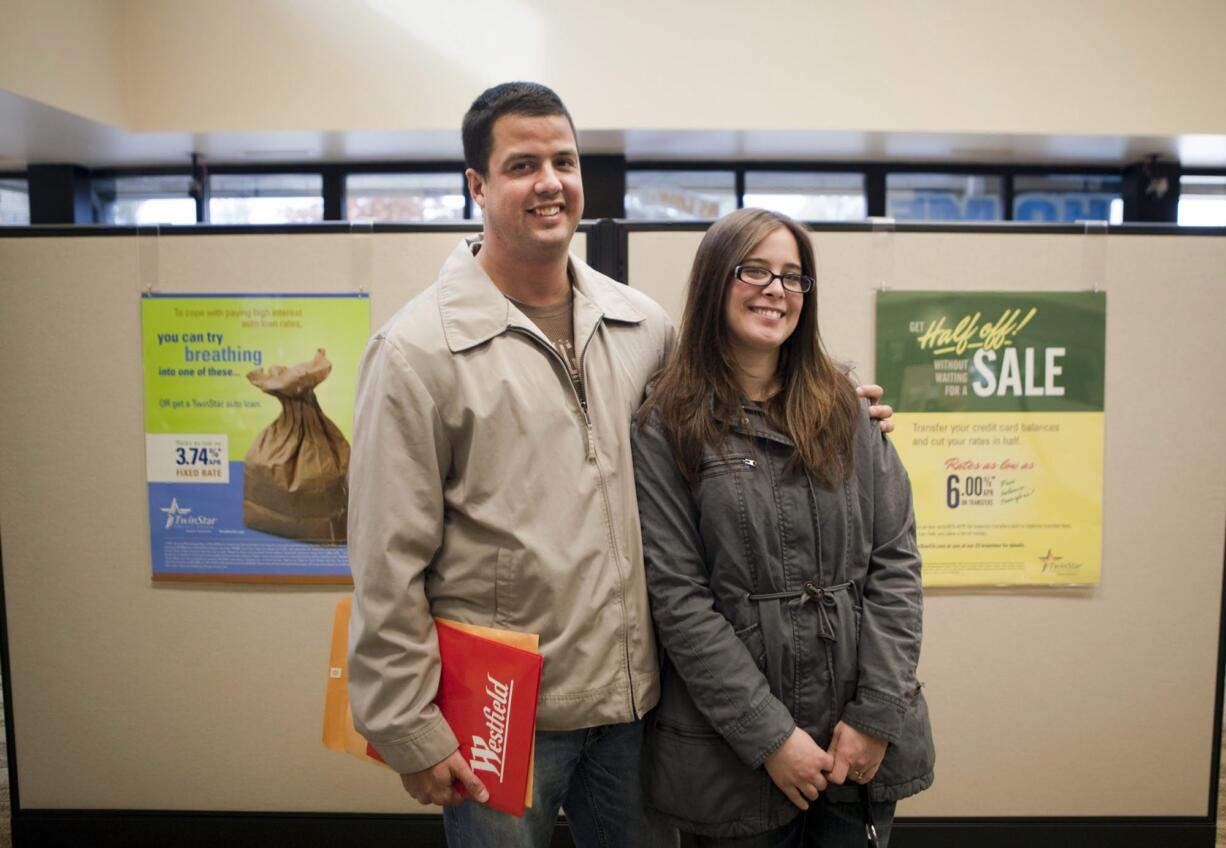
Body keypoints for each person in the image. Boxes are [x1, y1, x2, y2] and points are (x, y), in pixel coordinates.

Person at [347, 82, 894, 848]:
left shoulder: (643, 325)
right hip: (503, 715)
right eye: (522, 164)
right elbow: (383, 560)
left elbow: (736, 405)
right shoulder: (416, 351)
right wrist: (408, 726)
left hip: (639, 710)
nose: (550, 181)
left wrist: (840, 408)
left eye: (564, 161)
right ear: (476, 185)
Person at [632, 208, 934, 847]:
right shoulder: (668, 425)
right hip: (733, 754)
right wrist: (769, 737)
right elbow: (679, 601)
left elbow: (896, 565)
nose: (776, 289)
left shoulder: (846, 413)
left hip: (857, 739)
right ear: (716, 280)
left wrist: (876, 715)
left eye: (794, 277)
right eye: (755, 270)